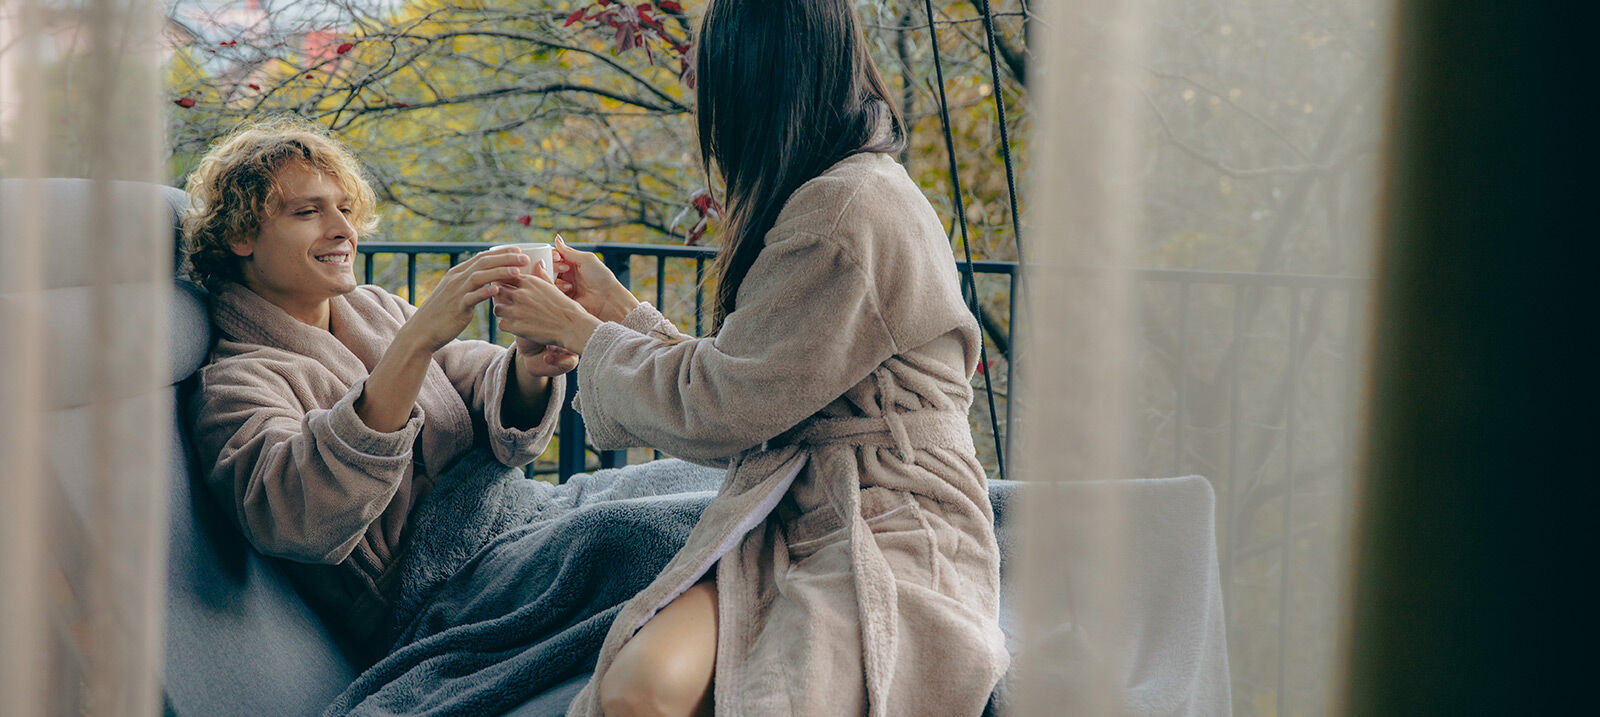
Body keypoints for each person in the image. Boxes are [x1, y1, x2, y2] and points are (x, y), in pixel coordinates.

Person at [489, 0, 1009, 713]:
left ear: (754, 84)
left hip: (887, 528)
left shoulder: (842, 215)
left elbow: (723, 406)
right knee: (637, 690)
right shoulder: (840, 192)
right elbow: (753, 381)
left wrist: (582, 333)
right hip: (794, 516)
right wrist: (617, 310)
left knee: (726, 696)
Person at [184, 118, 576, 661]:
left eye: (344, 208)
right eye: (307, 211)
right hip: (437, 600)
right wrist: (414, 343)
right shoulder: (234, 381)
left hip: (510, 525)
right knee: (646, 533)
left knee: (699, 493)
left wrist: (531, 368)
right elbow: (295, 516)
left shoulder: (373, 309)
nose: (342, 228)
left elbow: (470, 376)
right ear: (239, 235)